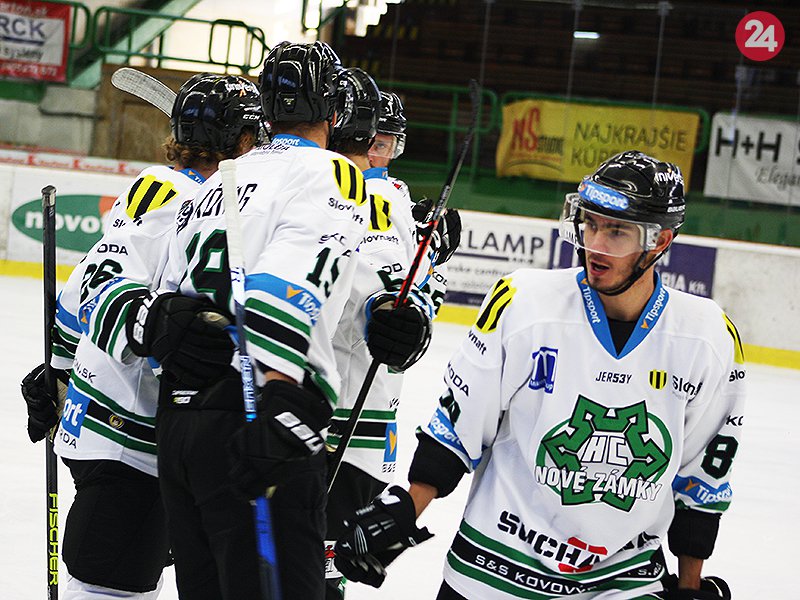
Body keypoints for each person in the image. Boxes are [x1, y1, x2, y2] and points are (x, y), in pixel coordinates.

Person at [334, 151, 745, 600]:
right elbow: (460, 424)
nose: (595, 244)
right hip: (493, 569)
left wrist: (689, 585)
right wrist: (403, 512)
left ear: (659, 241)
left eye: (616, 232)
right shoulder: (523, 301)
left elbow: (702, 476)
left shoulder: (707, 336)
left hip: (623, 582)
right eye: (589, 224)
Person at [124, 41, 371, 599]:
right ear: (334, 112)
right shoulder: (331, 173)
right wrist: (282, 400)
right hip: (257, 416)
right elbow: (288, 281)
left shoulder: (218, 181)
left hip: (180, 427)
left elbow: (165, 301)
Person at [20, 73, 262, 599]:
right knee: (114, 587)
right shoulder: (194, 199)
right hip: (132, 435)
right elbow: (106, 287)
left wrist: (58, 373)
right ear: (243, 140)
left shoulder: (168, 187)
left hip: (108, 424)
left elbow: (79, 292)